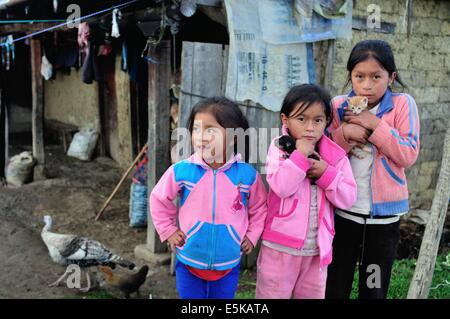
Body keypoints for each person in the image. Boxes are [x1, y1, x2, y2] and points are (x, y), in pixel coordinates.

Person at [326, 40, 420, 299]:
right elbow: (325, 153)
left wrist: (374, 125)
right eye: (359, 76)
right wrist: (344, 134)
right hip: (343, 214)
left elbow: (408, 153)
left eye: (376, 76)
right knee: (335, 284)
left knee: (373, 287)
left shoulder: (402, 105)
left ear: (391, 77)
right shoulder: (338, 106)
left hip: (383, 220)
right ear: (350, 77)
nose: (367, 85)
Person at [150, 96, 267, 299]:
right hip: (189, 259)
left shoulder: (247, 176)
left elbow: (259, 208)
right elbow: (158, 199)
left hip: (228, 262)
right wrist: (168, 230)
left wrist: (252, 235)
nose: (200, 137)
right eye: (196, 129)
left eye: (210, 130)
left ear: (233, 136)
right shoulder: (182, 171)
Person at [256, 84, 357, 299]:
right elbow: (282, 187)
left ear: (326, 121)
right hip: (280, 247)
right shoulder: (280, 148)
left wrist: (325, 174)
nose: (310, 127)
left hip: (317, 250)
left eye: (318, 120)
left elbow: (348, 198)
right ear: (286, 120)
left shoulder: (334, 156)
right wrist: (300, 157)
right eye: (302, 119)